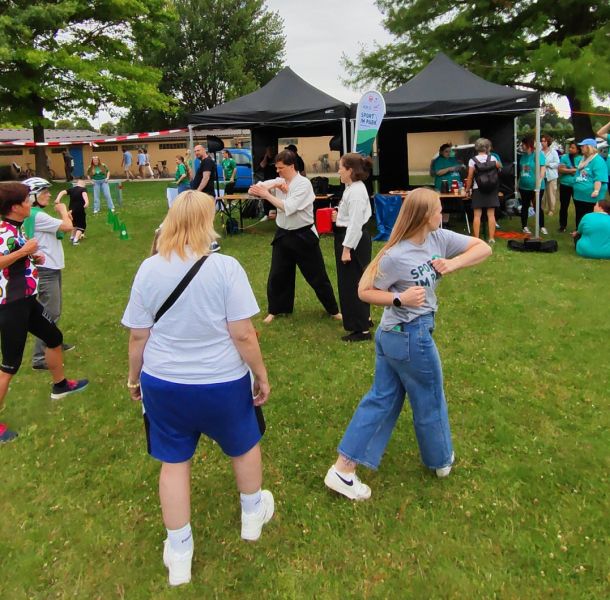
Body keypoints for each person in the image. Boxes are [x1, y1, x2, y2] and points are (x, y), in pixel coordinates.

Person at [122, 190, 273, 586]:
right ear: (206, 222)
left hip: (165, 383)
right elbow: (243, 333)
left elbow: (138, 336)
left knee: (174, 462)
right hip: (222, 382)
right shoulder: (226, 268)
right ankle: (252, 514)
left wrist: (134, 377)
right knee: (243, 444)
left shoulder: (148, 269)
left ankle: (180, 550)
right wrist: (261, 374)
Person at [323, 188, 492, 500]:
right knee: (430, 397)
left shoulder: (438, 238)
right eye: (438, 209)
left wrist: (453, 264)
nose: (442, 214)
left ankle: (343, 469)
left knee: (382, 399)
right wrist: (399, 298)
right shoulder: (395, 255)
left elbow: (483, 248)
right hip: (408, 336)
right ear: (424, 216)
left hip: (398, 336)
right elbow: (363, 291)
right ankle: (441, 460)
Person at [0, 182, 89, 444]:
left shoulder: (15, 228)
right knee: (9, 365)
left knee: (53, 337)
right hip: (11, 305)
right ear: (15, 207)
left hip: (27, 300)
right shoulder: (3, 231)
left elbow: (15, 257)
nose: (30, 203)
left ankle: (60, 385)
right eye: (26, 200)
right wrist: (24, 252)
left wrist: (30, 258)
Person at [248, 150, 341, 324]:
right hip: (283, 234)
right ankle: (276, 310)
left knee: (317, 276)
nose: (278, 171)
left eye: (281, 168)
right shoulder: (280, 180)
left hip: (303, 235)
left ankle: (333, 310)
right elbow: (253, 189)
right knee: (278, 275)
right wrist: (272, 186)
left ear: (291, 166)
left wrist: (267, 194)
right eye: (276, 168)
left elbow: (288, 207)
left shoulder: (303, 184)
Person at [22, 177, 76, 369]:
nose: (49, 195)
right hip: (46, 270)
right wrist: (63, 211)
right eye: (44, 192)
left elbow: (60, 230)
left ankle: (54, 343)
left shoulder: (36, 214)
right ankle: (40, 357)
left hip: (51, 267)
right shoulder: (37, 215)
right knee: (50, 312)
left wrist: (64, 218)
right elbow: (68, 227)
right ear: (32, 196)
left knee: (53, 310)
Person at [333, 153, 373, 342]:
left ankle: (360, 329)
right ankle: (365, 318)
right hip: (352, 237)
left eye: (341, 167)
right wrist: (339, 217)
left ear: (350, 170)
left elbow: (356, 223)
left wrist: (347, 248)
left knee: (351, 284)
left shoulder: (356, 192)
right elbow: (352, 217)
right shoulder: (352, 188)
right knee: (357, 280)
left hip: (353, 240)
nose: (338, 171)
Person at [464, 137, 500, 244]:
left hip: (478, 188)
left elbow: (470, 176)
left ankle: (476, 238)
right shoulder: (493, 158)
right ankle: (491, 238)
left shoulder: (472, 160)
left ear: (476, 148)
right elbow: (499, 168)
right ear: (487, 148)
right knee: (491, 215)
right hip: (491, 189)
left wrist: (467, 189)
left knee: (477, 215)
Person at [572, 138, 609, 228]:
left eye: (583, 146)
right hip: (579, 196)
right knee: (580, 217)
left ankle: (588, 233)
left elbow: (599, 178)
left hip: (590, 199)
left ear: (589, 147)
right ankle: (579, 232)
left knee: (589, 219)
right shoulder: (583, 159)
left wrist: (596, 190)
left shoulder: (598, 160)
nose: (581, 147)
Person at [518, 135, 547, 235]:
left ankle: (541, 226)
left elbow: (542, 168)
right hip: (523, 187)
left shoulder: (538, 154)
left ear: (528, 144)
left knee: (537, 206)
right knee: (525, 206)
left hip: (536, 187)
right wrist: (518, 183)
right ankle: (524, 226)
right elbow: (521, 171)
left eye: (523, 144)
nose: (522, 146)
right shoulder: (523, 156)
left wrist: (540, 180)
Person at [56, 178, 89, 245]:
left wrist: (58, 199)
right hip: (79, 210)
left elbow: (62, 192)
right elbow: (84, 195)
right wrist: (86, 202)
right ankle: (75, 240)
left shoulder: (72, 189)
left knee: (74, 224)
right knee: (81, 226)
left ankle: (72, 237)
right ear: (83, 184)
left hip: (71, 210)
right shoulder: (83, 189)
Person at [557, 142, 581, 232]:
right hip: (565, 185)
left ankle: (578, 227)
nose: (570, 149)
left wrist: (567, 169)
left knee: (578, 207)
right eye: (570, 147)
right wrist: (573, 170)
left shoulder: (582, 158)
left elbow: (583, 171)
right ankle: (562, 226)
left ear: (578, 150)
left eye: (573, 148)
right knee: (564, 206)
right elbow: (560, 169)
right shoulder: (564, 157)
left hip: (577, 185)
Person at [541, 134, 560, 216]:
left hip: (551, 176)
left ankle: (551, 210)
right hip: (541, 176)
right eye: (541, 141)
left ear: (548, 142)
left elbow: (557, 163)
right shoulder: (539, 152)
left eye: (544, 141)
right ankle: (541, 208)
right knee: (541, 193)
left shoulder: (553, 152)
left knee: (551, 193)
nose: (542, 142)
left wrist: (548, 165)